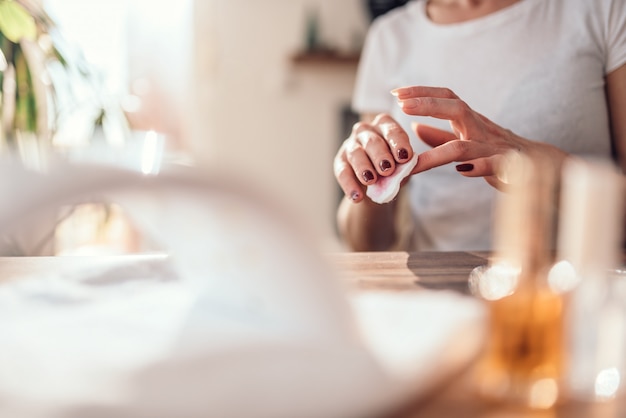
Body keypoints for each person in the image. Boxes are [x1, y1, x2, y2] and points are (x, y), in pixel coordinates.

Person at [334, 0, 626, 252]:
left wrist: (549, 173)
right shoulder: (390, 35)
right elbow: (367, 244)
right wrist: (374, 184)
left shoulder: (601, 10)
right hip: (437, 300)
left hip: (568, 294)